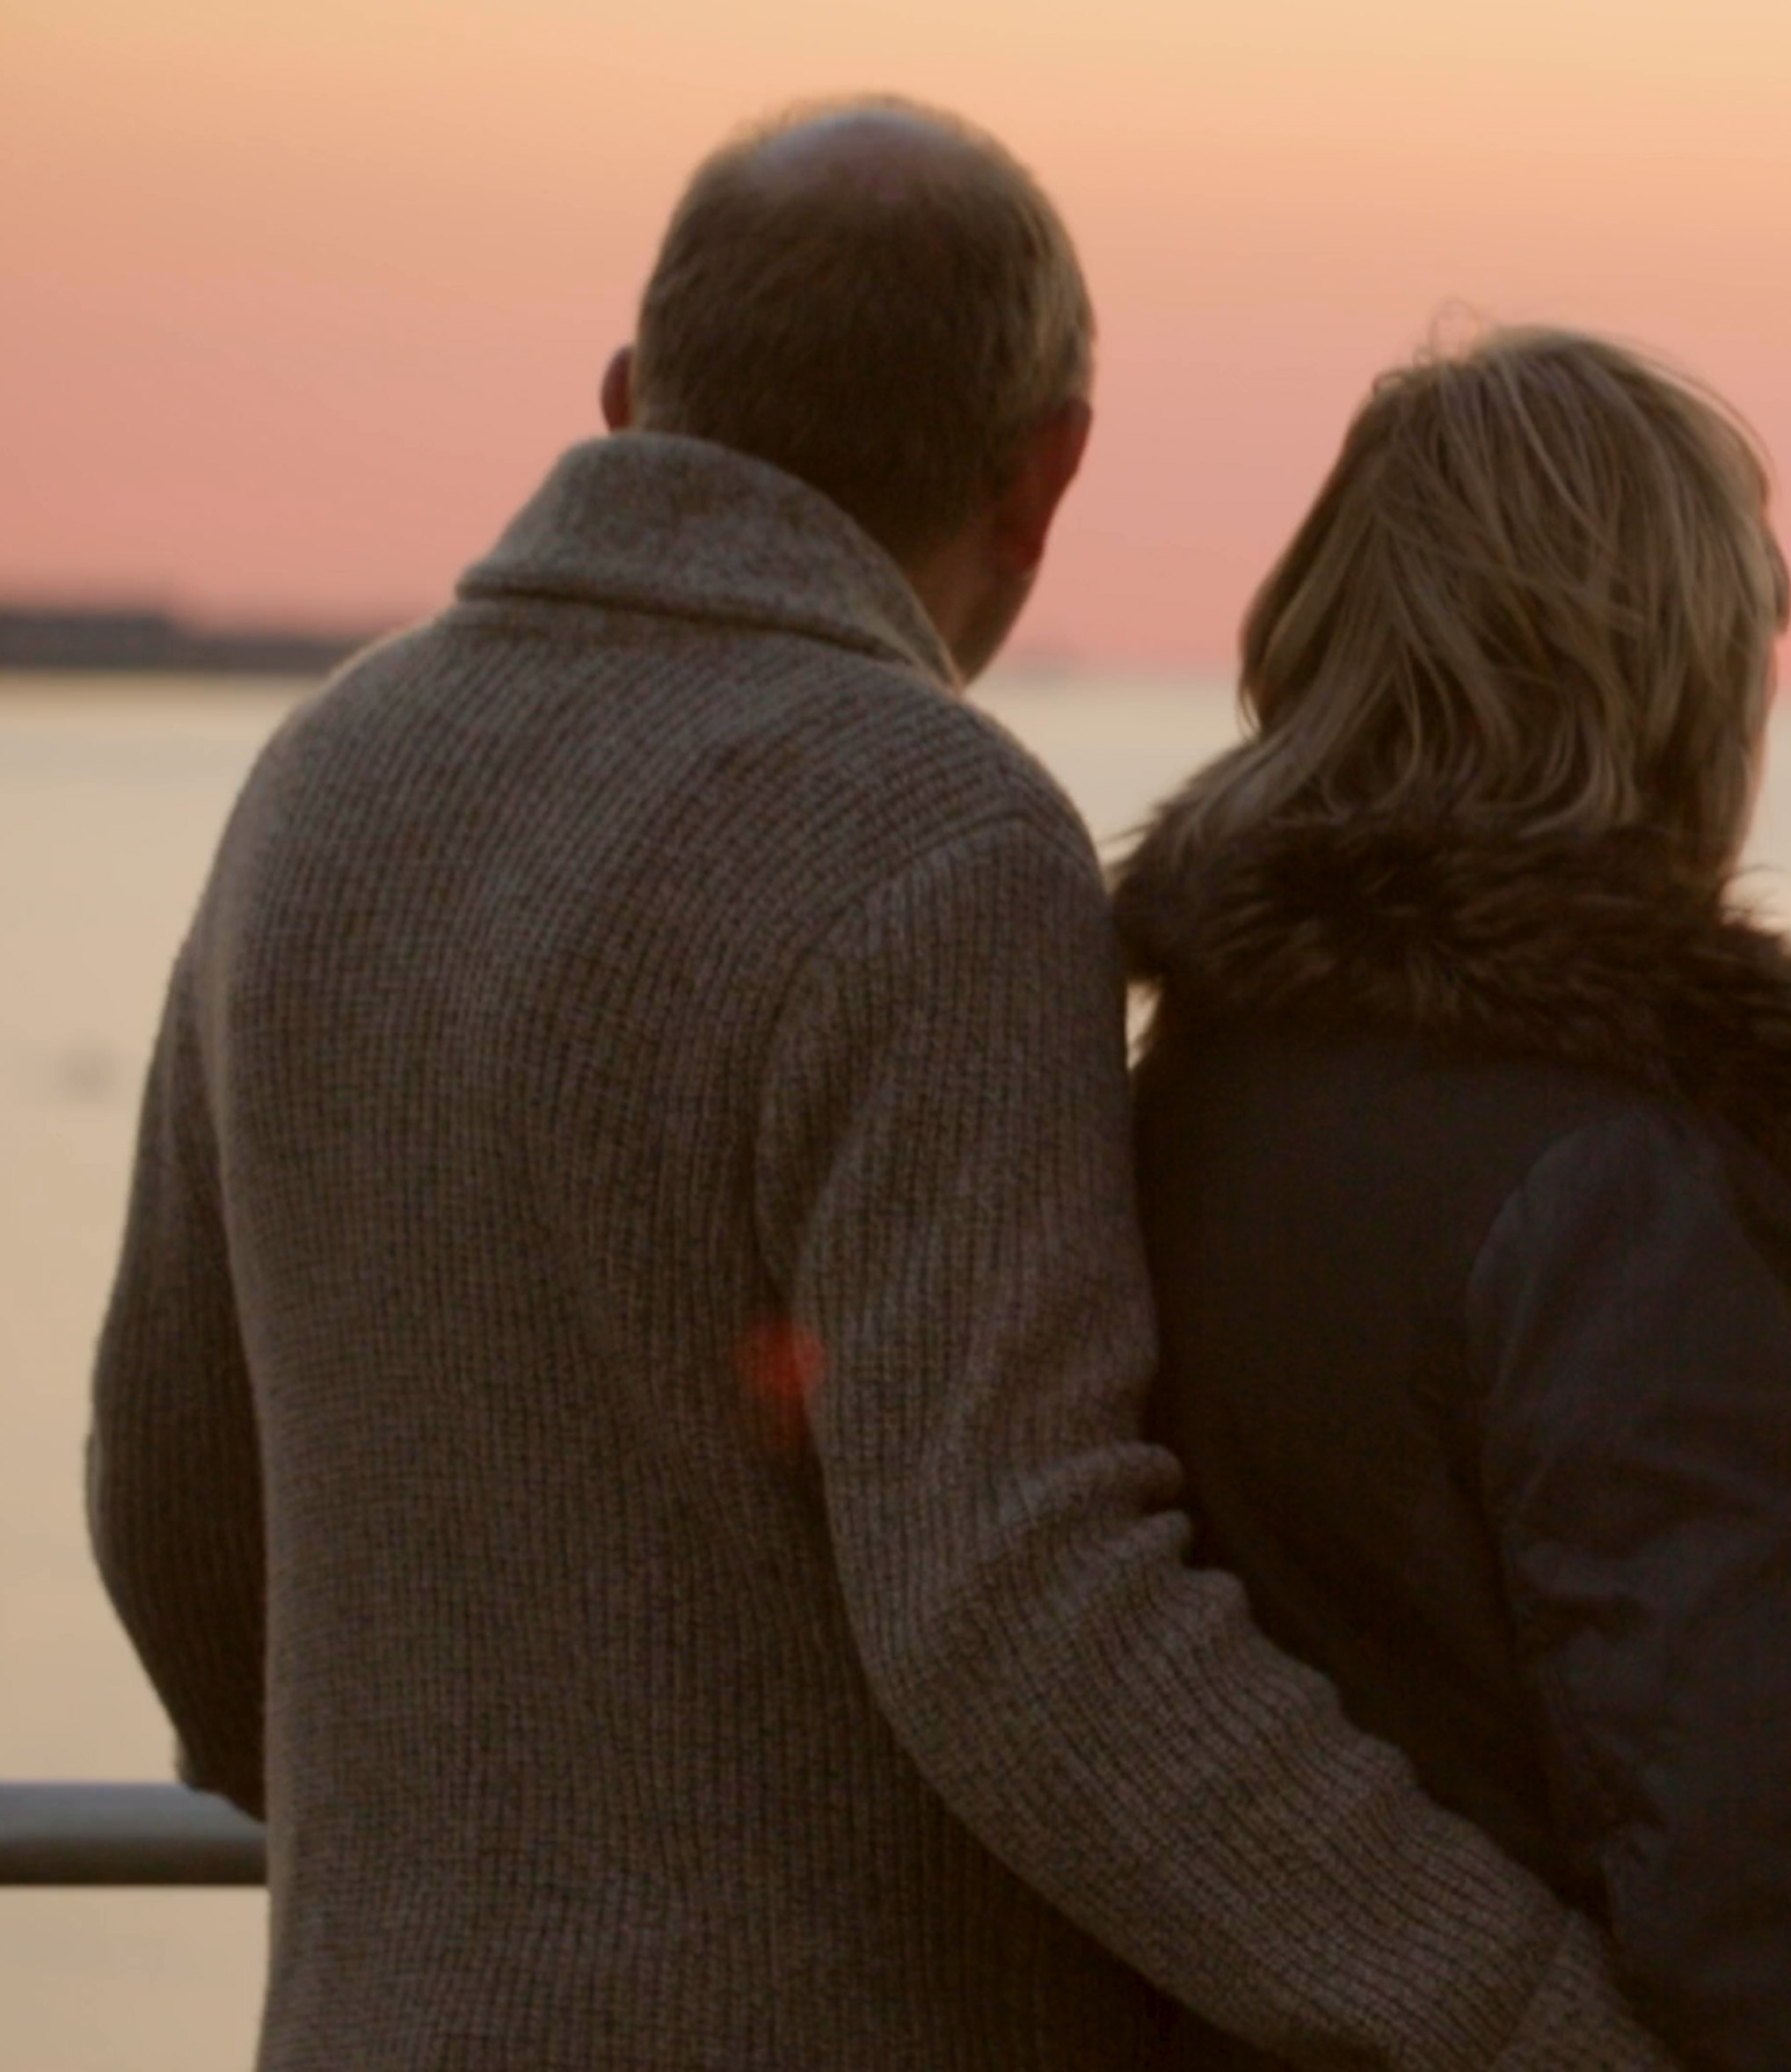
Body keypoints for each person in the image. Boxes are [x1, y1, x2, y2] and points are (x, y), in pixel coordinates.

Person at [85, 100, 1676, 2069]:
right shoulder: (935, 838)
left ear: (627, 392)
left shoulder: (321, 781)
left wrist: (445, 1846)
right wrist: (1535, 2018)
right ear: (1047, 472)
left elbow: (172, 1506)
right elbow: (1026, 1608)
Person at [1113, 327, 1791, 2071]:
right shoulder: (1616, 1186)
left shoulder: (1215, 1078)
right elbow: (1772, 1858)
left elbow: (1443, 1623)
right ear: (1674, 672)